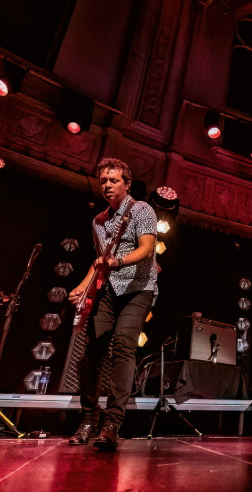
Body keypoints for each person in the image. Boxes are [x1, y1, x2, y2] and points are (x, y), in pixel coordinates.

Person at [68, 158, 158, 450]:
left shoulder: (142, 210)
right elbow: (99, 261)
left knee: (122, 345)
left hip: (138, 289)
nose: (107, 186)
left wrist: (119, 261)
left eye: (113, 180)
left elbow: (146, 249)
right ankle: (87, 420)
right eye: (103, 181)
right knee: (91, 353)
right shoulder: (99, 221)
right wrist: (81, 288)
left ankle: (111, 424)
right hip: (109, 289)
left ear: (127, 184)